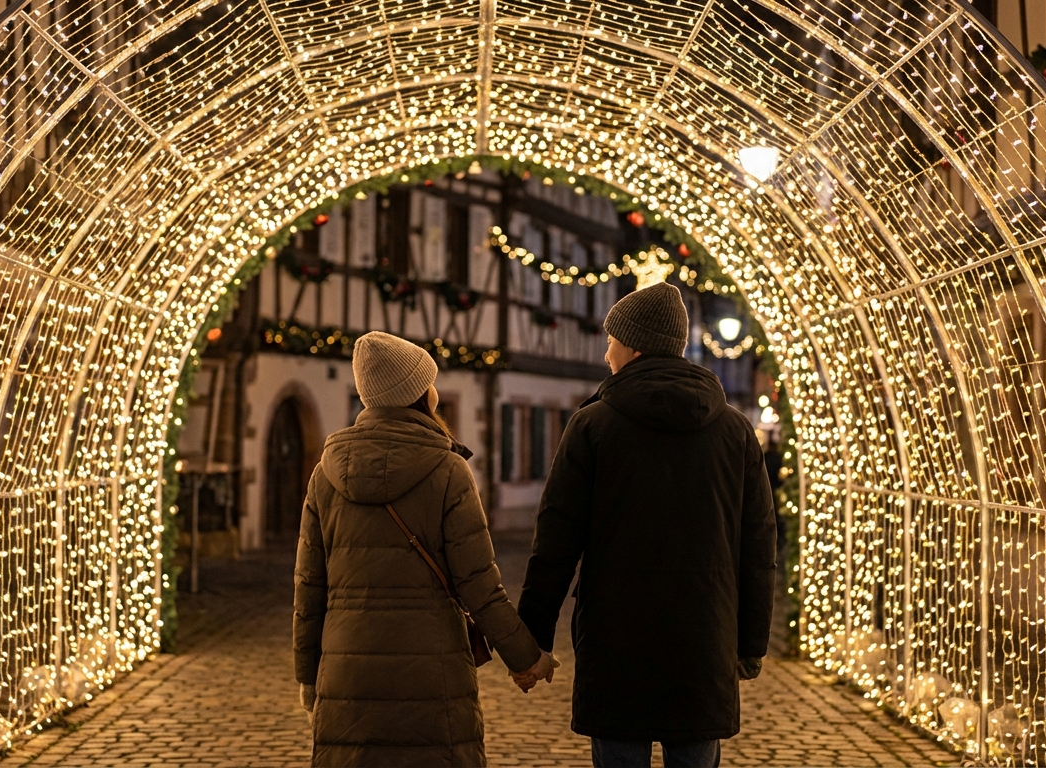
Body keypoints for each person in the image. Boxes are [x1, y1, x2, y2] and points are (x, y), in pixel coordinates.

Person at [515, 282, 777, 768]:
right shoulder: (735, 430)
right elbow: (758, 547)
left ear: (635, 347)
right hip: (705, 638)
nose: (606, 353)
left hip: (616, 641)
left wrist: (531, 642)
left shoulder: (592, 425)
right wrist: (750, 644)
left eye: (611, 341)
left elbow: (555, 541)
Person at [293, 331, 557, 767]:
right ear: (419, 395)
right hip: (433, 675)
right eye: (429, 381)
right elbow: (479, 585)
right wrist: (526, 658)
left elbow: (309, 590)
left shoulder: (325, 474)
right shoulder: (449, 470)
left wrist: (308, 678)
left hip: (346, 674)